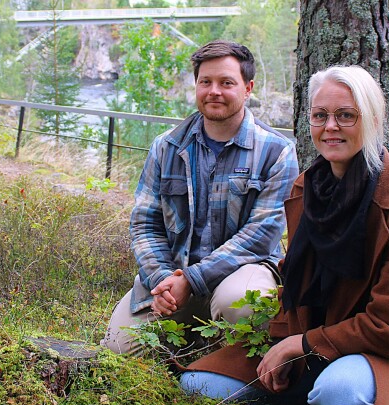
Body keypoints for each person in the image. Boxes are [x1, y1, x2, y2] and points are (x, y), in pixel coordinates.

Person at [180, 66, 389, 405]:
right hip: (312, 343)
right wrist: (283, 341)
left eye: (346, 115)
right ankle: (309, 387)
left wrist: (301, 344)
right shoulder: (308, 188)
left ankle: (333, 394)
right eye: (320, 116)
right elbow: (297, 281)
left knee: (340, 397)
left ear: (373, 120)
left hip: (378, 354)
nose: (330, 126)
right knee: (199, 383)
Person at [101, 40, 299, 355]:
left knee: (240, 304)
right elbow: (144, 223)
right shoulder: (166, 147)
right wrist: (164, 280)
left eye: (226, 83)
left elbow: (261, 235)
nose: (214, 91)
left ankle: (228, 365)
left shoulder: (277, 151)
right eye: (205, 82)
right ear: (196, 85)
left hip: (242, 273)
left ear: (247, 88)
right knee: (119, 347)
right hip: (175, 273)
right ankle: (192, 341)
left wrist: (192, 280)